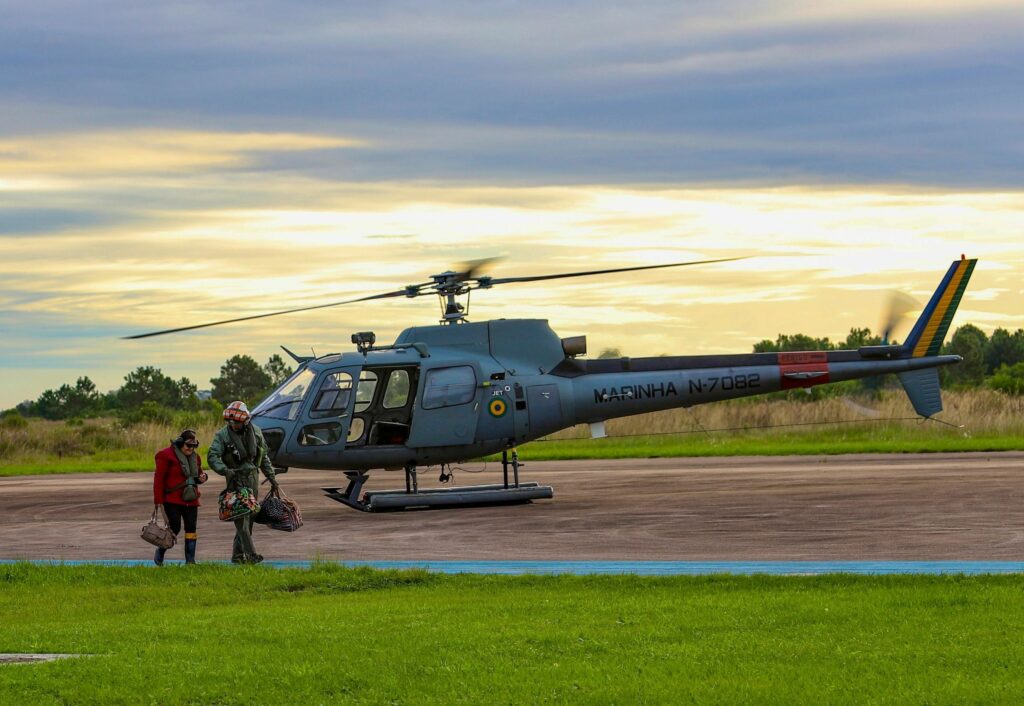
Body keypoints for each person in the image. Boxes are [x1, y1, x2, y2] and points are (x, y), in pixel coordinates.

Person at [208, 401, 279, 564]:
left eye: (237, 422)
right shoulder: (222, 435)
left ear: (245, 420)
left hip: (253, 478)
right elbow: (212, 456)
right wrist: (225, 470)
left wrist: (272, 478)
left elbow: (264, 458)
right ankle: (251, 555)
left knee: (250, 517)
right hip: (235, 479)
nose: (233, 424)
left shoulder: (257, 432)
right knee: (241, 518)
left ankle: (238, 556)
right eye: (230, 421)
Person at [153, 429, 208, 565]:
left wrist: (203, 478)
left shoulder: (196, 457)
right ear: (180, 443)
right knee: (175, 528)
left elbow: (199, 475)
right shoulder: (165, 455)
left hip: (191, 499)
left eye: (194, 446)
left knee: (191, 528)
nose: (191, 449)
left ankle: (190, 561)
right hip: (172, 500)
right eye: (189, 445)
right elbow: (159, 479)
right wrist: (158, 501)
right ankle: (160, 551)